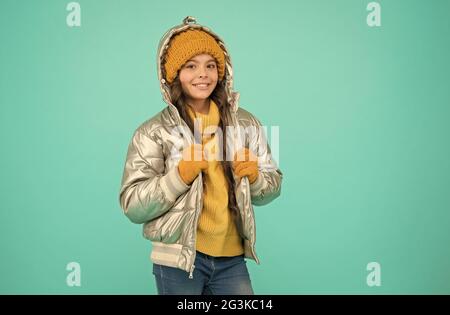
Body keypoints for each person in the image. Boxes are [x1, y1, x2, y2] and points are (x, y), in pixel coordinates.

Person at [119, 16, 282, 295]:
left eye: (210, 65)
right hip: (179, 261)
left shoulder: (245, 124)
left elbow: (273, 186)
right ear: (172, 75)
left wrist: (255, 177)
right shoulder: (153, 132)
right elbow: (132, 204)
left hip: (231, 258)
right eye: (191, 66)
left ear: (222, 71)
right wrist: (180, 176)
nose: (202, 74)